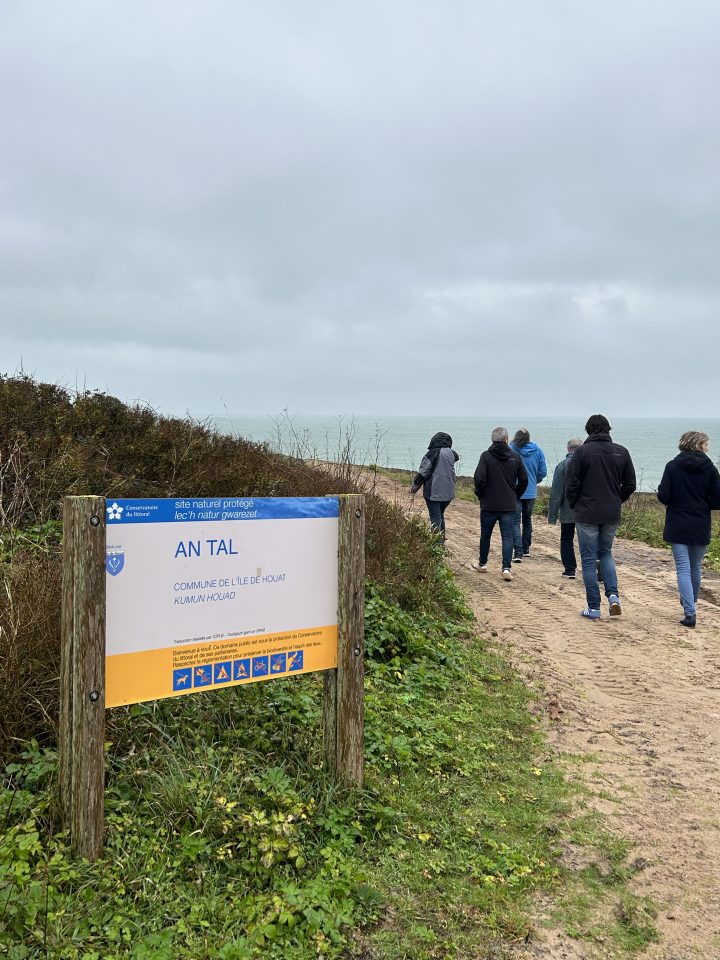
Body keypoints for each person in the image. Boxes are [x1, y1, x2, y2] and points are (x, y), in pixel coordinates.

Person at [565, 414, 636, 620]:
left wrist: (575, 504)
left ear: (589, 430)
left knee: (588, 560)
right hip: (610, 512)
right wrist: (616, 500)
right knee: (606, 553)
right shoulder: (622, 452)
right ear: (608, 429)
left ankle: (594, 607)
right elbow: (630, 484)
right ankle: (613, 597)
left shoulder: (582, 453)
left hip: (586, 512)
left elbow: (572, 485)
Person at [657, 431, 720, 628]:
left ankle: (690, 611)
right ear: (700, 445)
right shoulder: (711, 469)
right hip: (700, 522)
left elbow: (664, 495)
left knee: (683, 569)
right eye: (706, 443)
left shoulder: (672, 466)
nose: (708, 447)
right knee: (695, 567)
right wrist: (702, 505)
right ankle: (690, 604)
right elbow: (717, 499)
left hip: (677, 521)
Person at [471, 427, 528, 581]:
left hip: (489, 503)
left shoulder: (486, 456)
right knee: (507, 536)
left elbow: (479, 478)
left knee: (486, 535)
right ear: (506, 439)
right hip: (508, 504)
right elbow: (524, 480)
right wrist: (515, 495)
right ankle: (506, 568)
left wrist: (480, 493)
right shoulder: (515, 457)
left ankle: (482, 564)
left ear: (492, 440)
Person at [409, 431, 459, 541]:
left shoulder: (432, 453)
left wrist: (414, 488)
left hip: (434, 492)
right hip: (448, 492)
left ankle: (436, 544)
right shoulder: (451, 454)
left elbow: (423, 473)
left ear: (434, 441)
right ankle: (441, 541)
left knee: (435, 516)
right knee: (440, 514)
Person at [547, 437, 583, 577]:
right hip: (586, 509)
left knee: (567, 539)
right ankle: (594, 570)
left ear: (568, 449)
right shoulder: (588, 464)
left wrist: (552, 516)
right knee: (588, 540)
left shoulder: (562, 465)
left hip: (568, 510)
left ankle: (570, 569)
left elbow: (556, 493)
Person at [509, 428, 547, 561]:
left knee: (515, 522)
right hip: (530, 492)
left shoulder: (510, 449)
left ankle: (517, 552)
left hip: (514, 491)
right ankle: (526, 549)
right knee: (527, 520)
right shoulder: (538, 450)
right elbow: (543, 471)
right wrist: (533, 482)